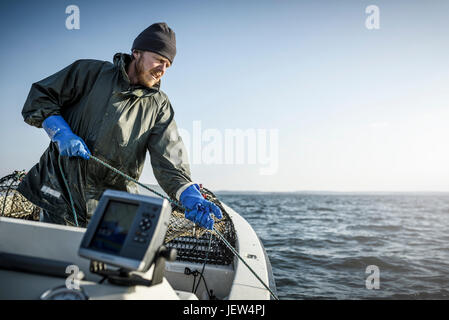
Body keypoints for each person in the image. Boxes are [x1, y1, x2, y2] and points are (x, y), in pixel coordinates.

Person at [17, 22, 222, 230]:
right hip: (60, 197)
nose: (162, 70)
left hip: (113, 210)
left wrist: (186, 191)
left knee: (106, 262)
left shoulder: (159, 106)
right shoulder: (89, 72)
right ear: (136, 53)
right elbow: (40, 97)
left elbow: (169, 159)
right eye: (159, 60)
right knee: (60, 260)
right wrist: (60, 131)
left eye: (168, 65)